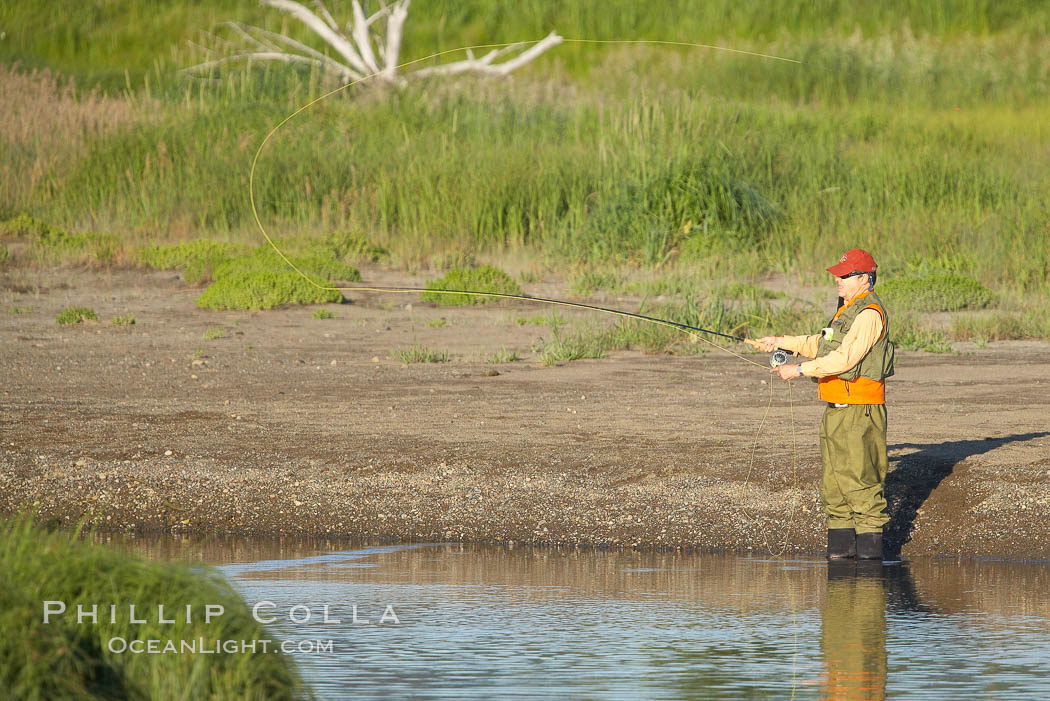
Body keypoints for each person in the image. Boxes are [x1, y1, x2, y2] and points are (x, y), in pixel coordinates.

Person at [749, 249, 894, 561]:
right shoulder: (846, 310)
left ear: (864, 279)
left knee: (861, 485)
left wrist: (798, 370)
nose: (838, 281)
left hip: (860, 409)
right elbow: (821, 344)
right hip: (835, 408)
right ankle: (841, 568)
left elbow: (845, 359)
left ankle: (870, 569)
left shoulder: (870, 314)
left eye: (845, 276)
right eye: (838, 276)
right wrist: (780, 341)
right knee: (833, 487)